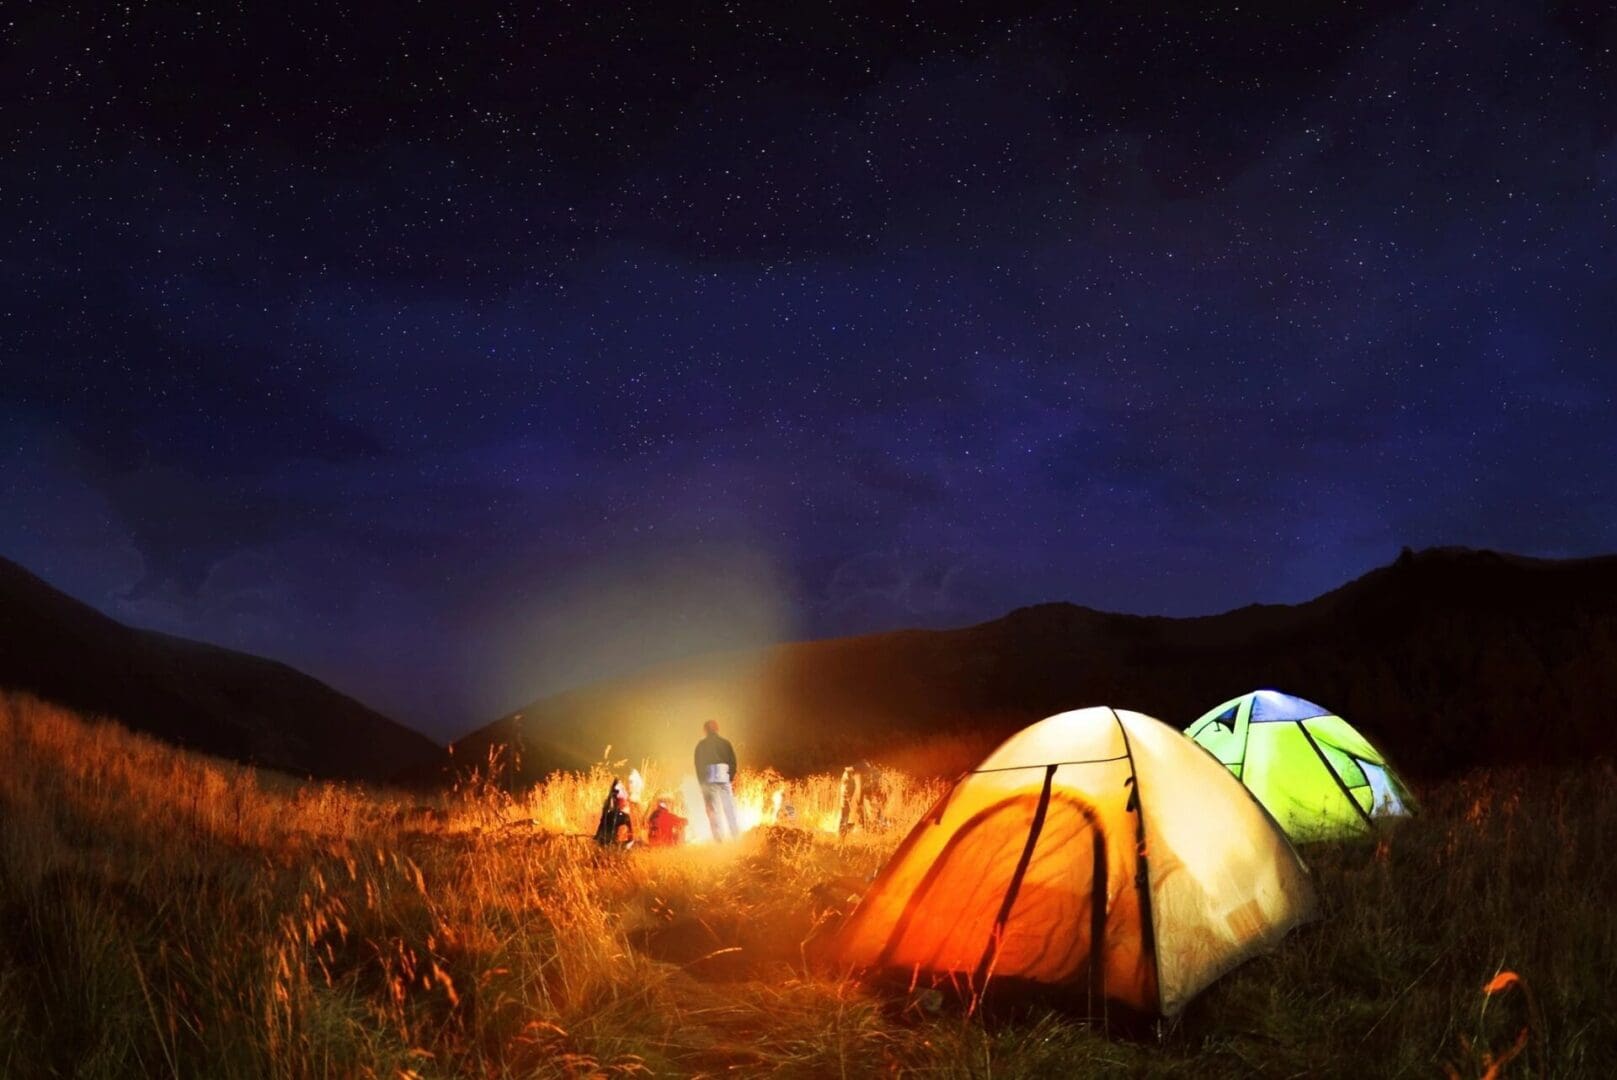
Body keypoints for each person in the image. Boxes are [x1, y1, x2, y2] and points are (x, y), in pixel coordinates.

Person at [694, 719, 741, 841]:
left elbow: (698, 765)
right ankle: (735, 835)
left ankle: (719, 839)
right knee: (729, 807)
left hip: (709, 777)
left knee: (713, 809)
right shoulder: (725, 743)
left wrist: (702, 783)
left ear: (705, 730)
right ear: (717, 729)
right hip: (724, 775)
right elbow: (733, 762)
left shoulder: (701, 745)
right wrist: (730, 777)